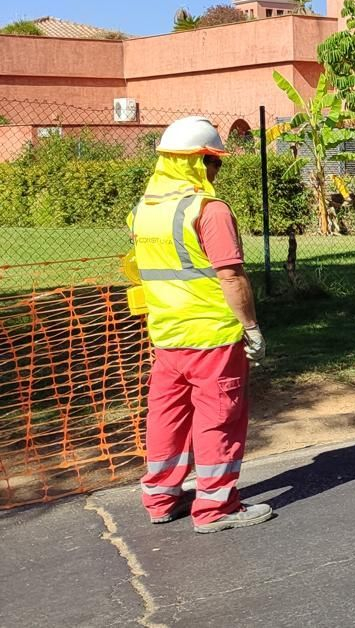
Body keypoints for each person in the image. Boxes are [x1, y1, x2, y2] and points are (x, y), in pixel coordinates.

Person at [131, 116, 273, 534]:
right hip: (212, 337)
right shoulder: (208, 210)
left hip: (166, 335)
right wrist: (251, 326)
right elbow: (230, 276)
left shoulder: (143, 211)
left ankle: (161, 498)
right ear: (201, 161)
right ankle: (216, 508)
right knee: (219, 418)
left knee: (166, 417)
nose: (217, 171)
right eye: (216, 162)